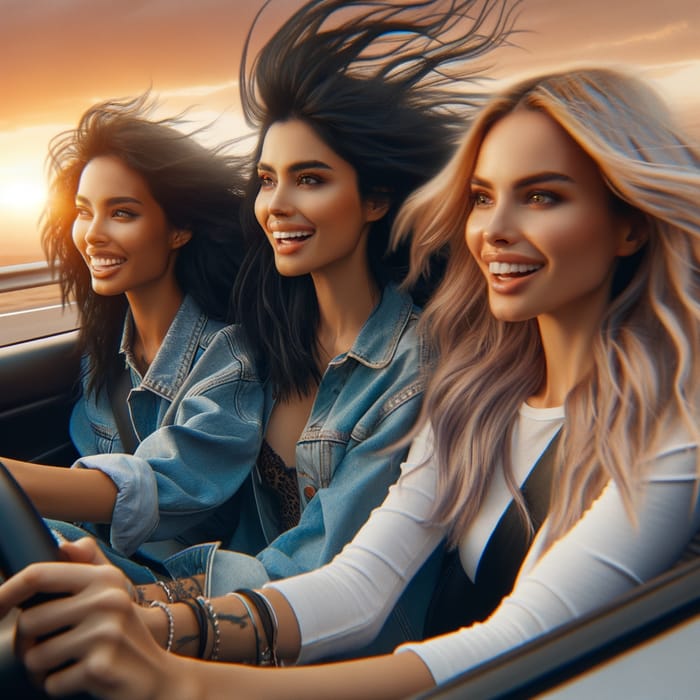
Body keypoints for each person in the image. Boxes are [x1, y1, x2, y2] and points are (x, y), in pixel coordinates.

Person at [2, 64, 698, 700]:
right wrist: (156, 627)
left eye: (542, 197)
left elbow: (523, 641)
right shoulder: (476, 395)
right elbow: (358, 583)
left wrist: (178, 675)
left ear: (630, 226)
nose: (494, 230)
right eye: (482, 197)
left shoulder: (677, 427)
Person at [96, 0, 516, 641]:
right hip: (220, 616)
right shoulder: (258, 339)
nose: (277, 205)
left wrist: (146, 609)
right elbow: (180, 482)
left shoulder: (416, 371)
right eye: (266, 180)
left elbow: (319, 570)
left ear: (375, 199)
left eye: (310, 179)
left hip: (326, 649)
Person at [0, 95, 261, 570]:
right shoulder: (105, 351)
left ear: (178, 229)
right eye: (84, 211)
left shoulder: (229, 357)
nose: (93, 233)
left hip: (186, 593)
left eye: (121, 213)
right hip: (107, 559)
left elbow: (161, 484)